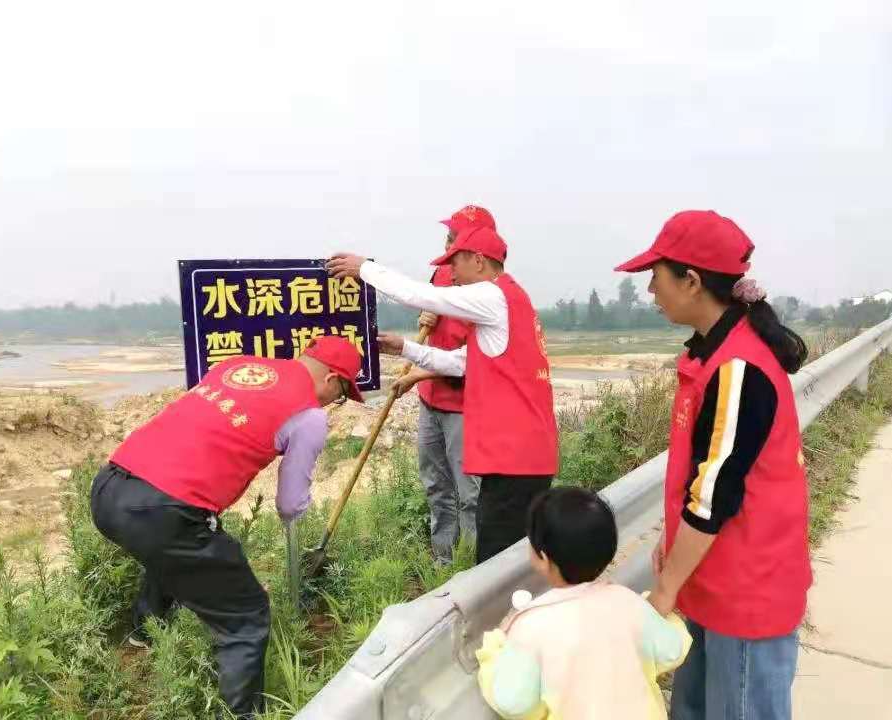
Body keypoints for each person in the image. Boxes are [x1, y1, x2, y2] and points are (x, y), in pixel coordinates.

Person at [90, 337, 363, 719]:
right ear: (332, 379)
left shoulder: (237, 366)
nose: (333, 404)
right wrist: (297, 514)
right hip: (163, 512)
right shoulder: (309, 416)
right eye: (341, 396)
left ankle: (145, 633)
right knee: (247, 616)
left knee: (178, 551)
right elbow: (289, 502)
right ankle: (242, 715)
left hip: (108, 488)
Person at [616, 210, 811, 720]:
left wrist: (663, 592)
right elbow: (702, 478)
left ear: (692, 281)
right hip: (713, 578)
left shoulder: (738, 369)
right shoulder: (716, 352)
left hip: (745, 593)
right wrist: (674, 551)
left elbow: (712, 499)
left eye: (655, 278)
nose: (651, 292)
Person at [327, 225, 558, 563]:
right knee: (509, 559)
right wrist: (404, 347)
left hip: (517, 460)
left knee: (498, 565)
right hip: (522, 458)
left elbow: (423, 296)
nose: (450, 274)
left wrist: (364, 268)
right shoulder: (510, 303)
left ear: (478, 261)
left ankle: (505, 614)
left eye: (455, 263)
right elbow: (461, 363)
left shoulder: (492, 296)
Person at [476, 487, 692, 719]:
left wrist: (494, 649)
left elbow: (513, 703)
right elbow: (672, 650)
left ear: (543, 558)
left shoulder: (531, 627)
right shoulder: (628, 603)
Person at [396, 205, 495, 563]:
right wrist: (426, 315)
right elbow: (431, 326)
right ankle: (443, 561)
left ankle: (471, 566)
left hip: (464, 408)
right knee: (436, 486)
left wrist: (417, 373)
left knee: (470, 494)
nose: (447, 242)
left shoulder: (490, 294)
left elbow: (473, 363)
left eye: (455, 237)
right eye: (449, 235)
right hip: (430, 401)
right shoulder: (440, 274)